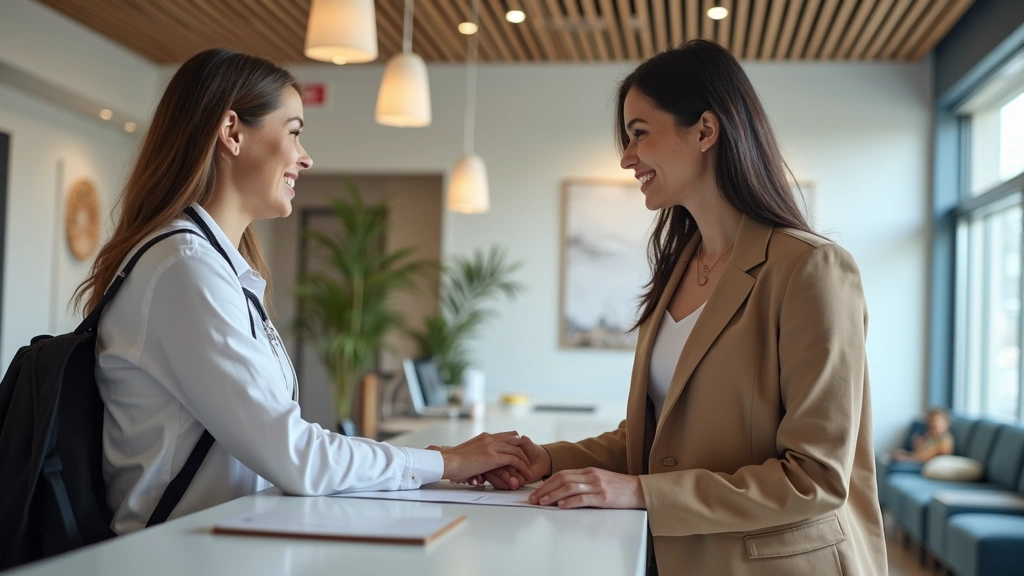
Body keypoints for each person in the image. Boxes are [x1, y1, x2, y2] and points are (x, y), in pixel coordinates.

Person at [73, 48, 532, 535]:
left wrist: (436, 462)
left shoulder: (211, 266)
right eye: (293, 132)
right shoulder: (184, 269)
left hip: (220, 542)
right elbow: (296, 455)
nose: (305, 157)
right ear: (231, 133)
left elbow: (286, 448)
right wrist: (444, 463)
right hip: (177, 557)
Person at [475, 40, 888, 575]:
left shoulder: (812, 270)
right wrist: (549, 460)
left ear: (705, 131)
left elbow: (816, 478)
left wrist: (643, 493)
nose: (626, 158)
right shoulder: (678, 269)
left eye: (639, 133)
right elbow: (657, 439)